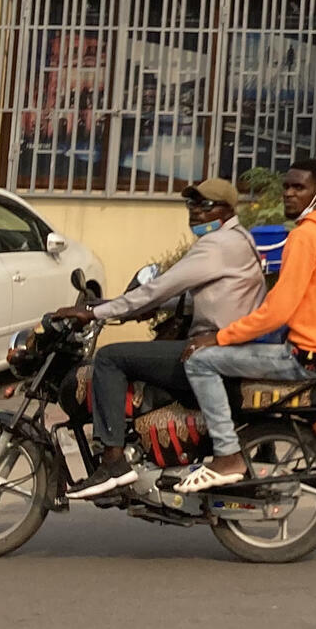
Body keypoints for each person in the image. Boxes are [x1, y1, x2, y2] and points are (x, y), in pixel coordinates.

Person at [61, 177, 268, 498]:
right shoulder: (241, 239)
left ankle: (113, 461)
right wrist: (133, 308)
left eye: (204, 205)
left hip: (214, 350)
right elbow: (188, 293)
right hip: (230, 347)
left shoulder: (217, 245)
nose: (195, 211)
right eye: (191, 204)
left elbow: (160, 287)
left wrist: (96, 312)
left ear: (226, 210)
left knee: (110, 358)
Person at [171, 157, 316, 493]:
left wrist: (220, 337)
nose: (289, 193)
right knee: (246, 348)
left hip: (304, 356)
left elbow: (277, 311)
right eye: (286, 186)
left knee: (200, 361)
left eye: (299, 187)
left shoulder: (305, 237)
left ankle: (226, 455)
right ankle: (262, 447)